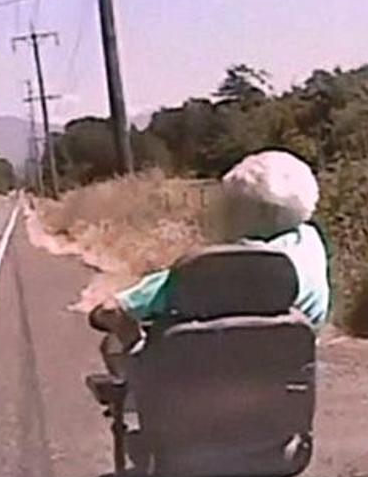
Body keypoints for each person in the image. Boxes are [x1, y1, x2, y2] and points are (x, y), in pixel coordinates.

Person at [89, 149, 331, 374]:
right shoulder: (311, 245)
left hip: (201, 387)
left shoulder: (213, 269)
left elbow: (111, 310)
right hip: (281, 385)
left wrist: (131, 338)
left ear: (246, 212)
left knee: (115, 345)